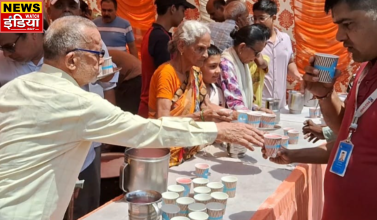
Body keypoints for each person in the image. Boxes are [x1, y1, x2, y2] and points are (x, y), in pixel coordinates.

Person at [0, 16, 264, 220]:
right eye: (96, 55)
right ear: (71, 61)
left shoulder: (14, 88)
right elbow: (148, 130)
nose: (103, 62)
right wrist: (216, 131)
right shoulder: (79, 102)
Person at [265, 0, 377, 219]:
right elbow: (348, 132)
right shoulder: (366, 68)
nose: (339, 37)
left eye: (348, 24)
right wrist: (324, 94)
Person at [47, 0, 119, 218]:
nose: (67, 9)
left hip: (87, 141)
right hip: (46, 146)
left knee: (86, 205)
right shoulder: (32, 33)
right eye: (60, 4)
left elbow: (109, 81)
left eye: (72, 4)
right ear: (48, 9)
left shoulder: (90, 36)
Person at [148, 20, 228, 166]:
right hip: (167, 155)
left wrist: (234, 116)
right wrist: (199, 117)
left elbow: (205, 106)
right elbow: (162, 121)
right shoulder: (167, 74)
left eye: (207, 49)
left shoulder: (195, 71)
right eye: (200, 49)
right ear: (181, 46)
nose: (205, 55)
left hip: (191, 150)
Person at [138, 0, 194, 118]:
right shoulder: (161, 38)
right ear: (173, 8)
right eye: (183, 10)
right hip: (156, 108)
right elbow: (165, 78)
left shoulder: (154, 33)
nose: (184, 15)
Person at [253, 0, 302, 109]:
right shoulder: (252, 42)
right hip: (259, 103)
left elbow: (289, 61)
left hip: (280, 103)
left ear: (273, 18)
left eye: (261, 18)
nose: (257, 22)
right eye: (254, 18)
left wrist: (296, 75)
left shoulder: (285, 39)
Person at [219, 24, 271, 111]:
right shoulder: (226, 65)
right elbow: (234, 104)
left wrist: (258, 109)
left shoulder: (242, 62)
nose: (256, 57)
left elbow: (243, 98)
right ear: (242, 47)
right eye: (256, 53)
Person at [109, 49, 142, 114]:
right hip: (137, 73)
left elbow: (109, 83)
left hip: (134, 77)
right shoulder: (108, 53)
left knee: (127, 111)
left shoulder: (102, 57)